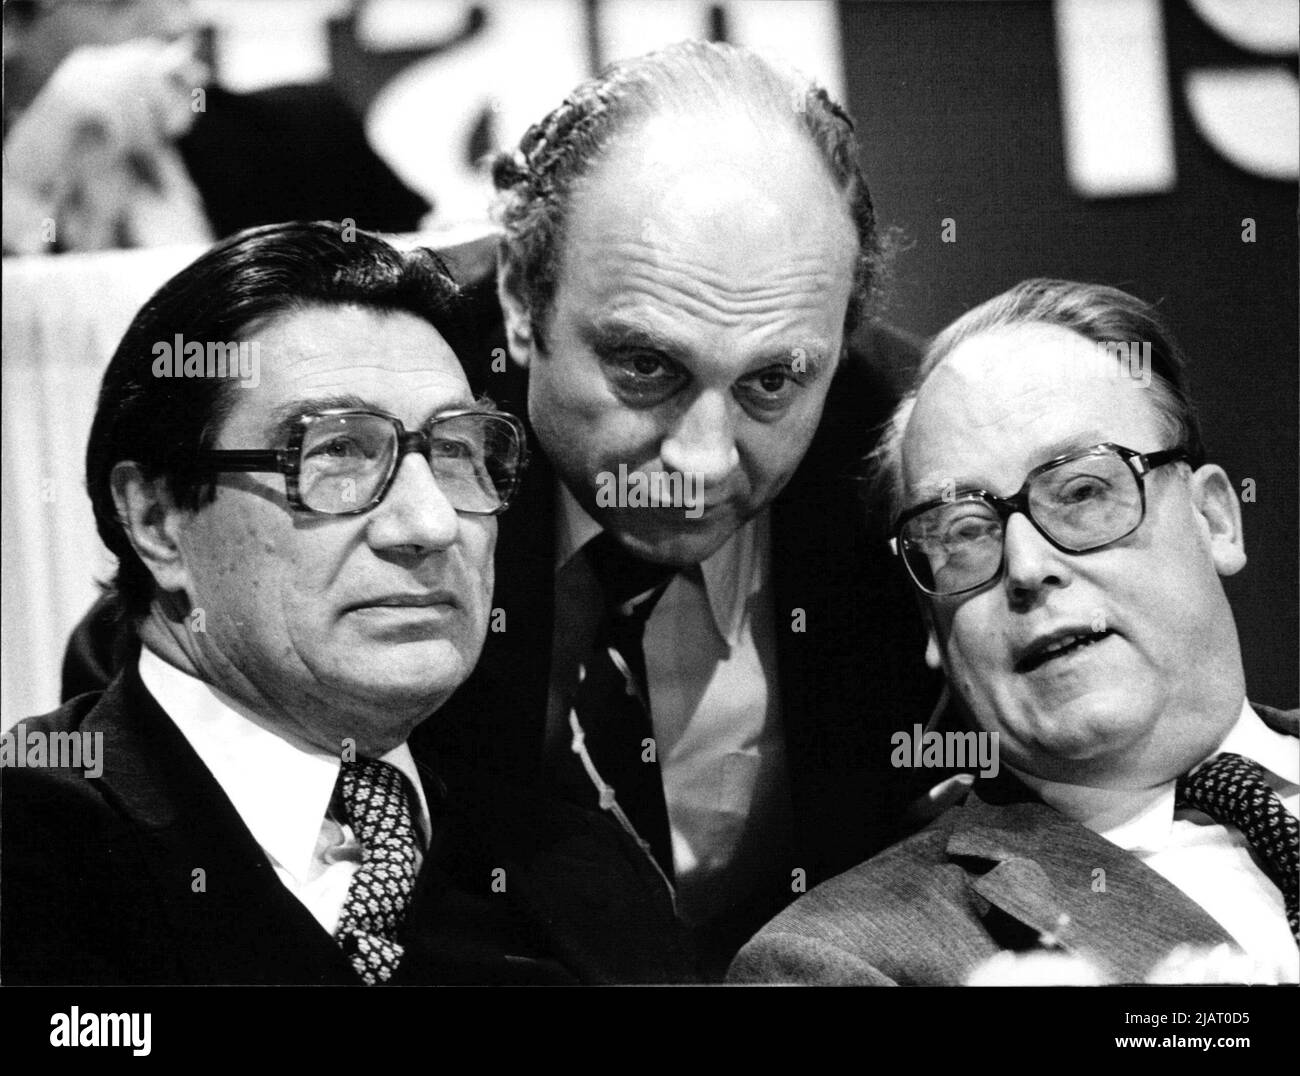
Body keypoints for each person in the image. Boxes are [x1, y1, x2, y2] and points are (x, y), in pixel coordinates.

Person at [57, 41, 943, 976]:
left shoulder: (912, 451)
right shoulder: (399, 367)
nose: (702, 458)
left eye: (771, 382)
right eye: (645, 366)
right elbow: (166, 674)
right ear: (523, 296)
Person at [1, 222, 694, 985]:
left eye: (460, 452)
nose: (430, 524)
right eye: (335, 452)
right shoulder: (31, 850)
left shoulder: (580, 865)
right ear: (158, 520)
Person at [728, 279, 1299, 985]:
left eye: (1084, 491)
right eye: (965, 534)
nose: (1027, 567)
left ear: (1215, 519)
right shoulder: (839, 961)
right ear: (931, 626)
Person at [2, 0, 427, 254]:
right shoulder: (17, 171)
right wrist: (26, 174)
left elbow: (436, 277)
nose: (173, 23)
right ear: (11, 24)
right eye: (122, 2)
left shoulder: (303, 134)